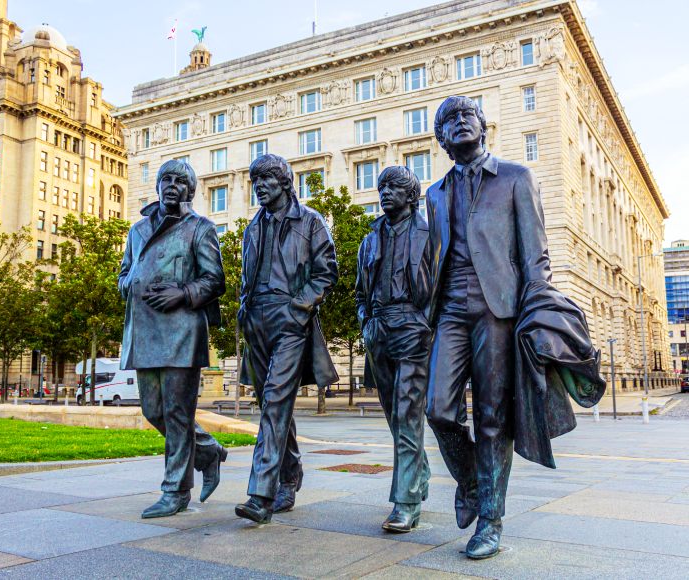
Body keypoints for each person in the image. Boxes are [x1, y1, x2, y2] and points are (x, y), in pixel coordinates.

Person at [425, 95, 551, 558]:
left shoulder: (516, 177)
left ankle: (491, 522)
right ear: (441, 138)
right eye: (449, 121)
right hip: (451, 311)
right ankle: (474, 483)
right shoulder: (434, 193)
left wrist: (537, 311)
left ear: (483, 127)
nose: (460, 123)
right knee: (438, 409)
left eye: (467, 116)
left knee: (493, 418)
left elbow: (535, 253)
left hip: (499, 308)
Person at [118, 159, 227, 519]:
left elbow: (214, 280)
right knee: (153, 410)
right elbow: (124, 273)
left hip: (181, 331)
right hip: (145, 329)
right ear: (158, 186)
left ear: (191, 191)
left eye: (181, 181)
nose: (172, 185)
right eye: (166, 179)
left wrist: (181, 292)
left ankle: (176, 490)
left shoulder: (201, 228)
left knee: (178, 413)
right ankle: (208, 450)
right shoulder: (136, 230)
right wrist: (131, 286)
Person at [235, 154, 338, 523]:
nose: (259, 185)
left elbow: (327, 271)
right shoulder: (252, 228)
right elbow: (245, 278)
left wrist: (300, 308)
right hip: (257, 322)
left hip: (291, 319)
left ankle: (261, 494)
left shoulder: (310, 222)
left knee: (277, 401)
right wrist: (244, 311)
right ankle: (290, 475)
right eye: (254, 179)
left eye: (265, 178)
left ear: (284, 182)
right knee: (271, 405)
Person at [355, 166, 432, 533]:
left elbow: (443, 283)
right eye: (382, 187)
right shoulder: (369, 239)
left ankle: (406, 503)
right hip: (379, 330)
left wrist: (425, 322)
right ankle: (419, 473)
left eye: (394, 187)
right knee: (395, 417)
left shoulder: (430, 233)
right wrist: (365, 323)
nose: (385, 192)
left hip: (413, 329)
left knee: (407, 414)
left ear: (411, 195)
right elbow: (360, 291)